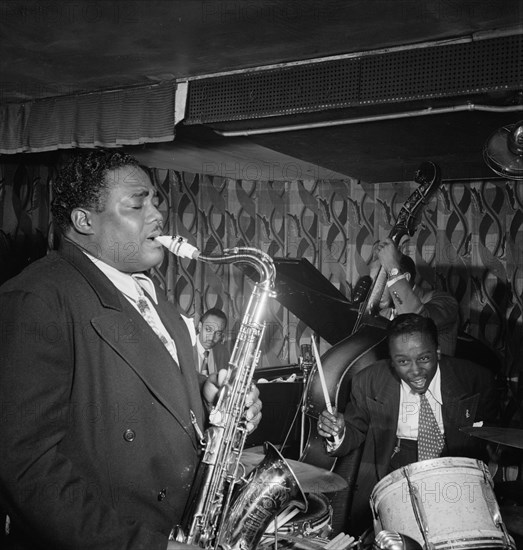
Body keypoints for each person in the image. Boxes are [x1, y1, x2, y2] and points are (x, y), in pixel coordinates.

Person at [0, 150, 262, 550]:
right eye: (137, 204)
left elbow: (148, 394)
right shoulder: (37, 296)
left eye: (155, 201)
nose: (157, 216)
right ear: (84, 221)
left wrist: (210, 400)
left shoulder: (152, 296)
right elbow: (26, 467)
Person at [318, 313, 499, 532]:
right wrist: (337, 431)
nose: (415, 371)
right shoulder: (368, 381)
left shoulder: (475, 378)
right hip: (394, 468)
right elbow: (355, 431)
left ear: (438, 352)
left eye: (424, 358)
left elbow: (492, 434)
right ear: (392, 361)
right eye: (402, 361)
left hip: (455, 471)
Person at [372, 237, 459, 355]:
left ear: (405, 278)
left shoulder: (446, 302)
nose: (374, 290)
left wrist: (392, 268)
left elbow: (417, 322)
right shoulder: (382, 314)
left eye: (380, 281)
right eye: (373, 283)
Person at [195, 308, 229, 375]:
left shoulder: (223, 352)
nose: (211, 338)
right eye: (208, 330)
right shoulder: (184, 347)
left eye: (218, 333)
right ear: (200, 327)